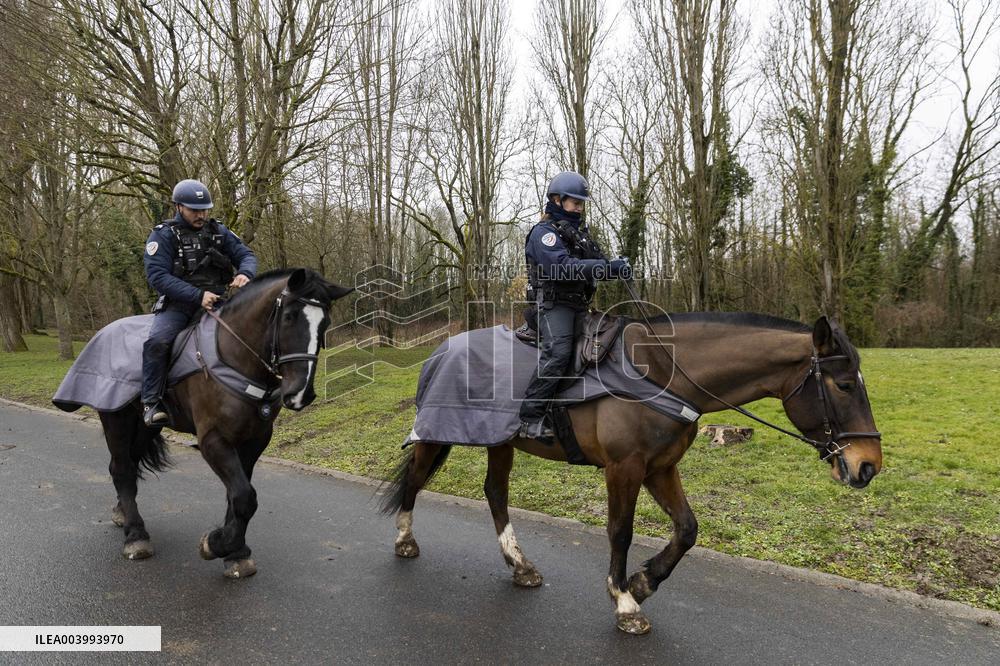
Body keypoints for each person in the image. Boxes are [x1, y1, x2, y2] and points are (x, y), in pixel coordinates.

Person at [517, 171, 631, 442]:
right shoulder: (543, 234)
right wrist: (605, 267)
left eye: (581, 204)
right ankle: (531, 417)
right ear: (557, 200)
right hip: (554, 307)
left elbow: (596, 263)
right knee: (558, 353)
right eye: (575, 203)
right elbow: (562, 268)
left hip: (580, 306)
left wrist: (617, 267)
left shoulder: (578, 235)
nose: (579, 208)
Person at [140, 179, 258, 427]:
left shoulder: (218, 231)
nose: (201, 214)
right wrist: (196, 295)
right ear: (179, 206)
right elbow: (157, 276)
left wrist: (245, 273)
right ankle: (151, 403)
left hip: (219, 302)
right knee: (157, 342)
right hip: (180, 305)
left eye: (204, 209)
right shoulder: (163, 235)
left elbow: (245, 254)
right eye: (195, 209)